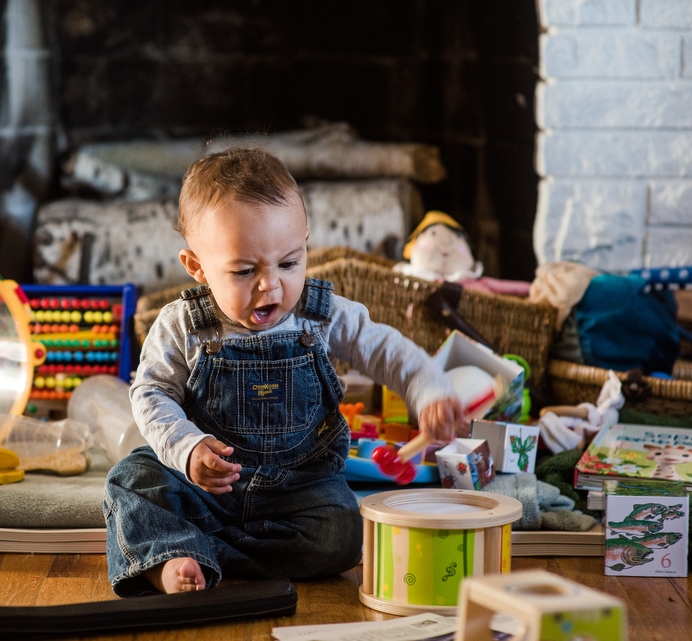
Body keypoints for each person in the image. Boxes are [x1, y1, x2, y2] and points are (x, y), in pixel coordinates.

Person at [103, 147, 465, 596]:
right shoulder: (181, 324)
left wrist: (429, 389)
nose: (270, 285)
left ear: (306, 245)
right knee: (131, 479)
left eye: (289, 263)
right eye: (243, 270)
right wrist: (187, 448)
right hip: (206, 485)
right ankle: (168, 561)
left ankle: (198, 550)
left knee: (342, 534)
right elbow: (151, 392)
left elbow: (386, 349)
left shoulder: (322, 314)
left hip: (299, 487)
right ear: (197, 267)